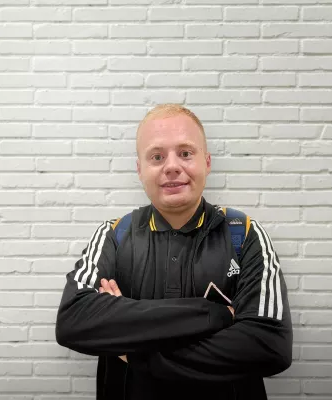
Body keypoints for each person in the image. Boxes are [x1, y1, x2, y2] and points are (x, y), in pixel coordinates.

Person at [55, 104, 292, 400]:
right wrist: (213, 315)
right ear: (140, 169)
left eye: (185, 153)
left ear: (206, 162)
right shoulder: (113, 235)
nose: (171, 166)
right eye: (157, 156)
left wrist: (132, 349)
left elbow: (269, 347)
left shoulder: (244, 233)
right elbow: (73, 322)